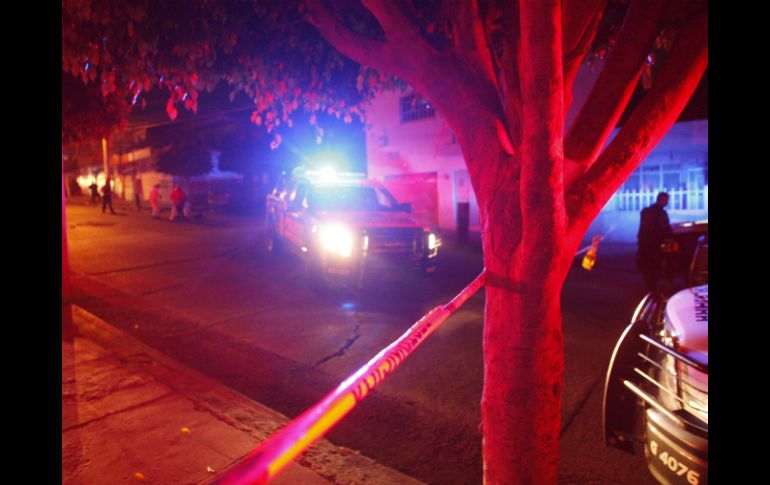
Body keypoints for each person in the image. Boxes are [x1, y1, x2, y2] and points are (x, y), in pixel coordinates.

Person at [636, 192, 673, 292]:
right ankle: (651, 287)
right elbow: (662, 228)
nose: (667, 202)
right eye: (665, 200)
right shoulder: (656, 213)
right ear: (660, 199)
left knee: (651, 266)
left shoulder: (651, 211)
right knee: (652, 266)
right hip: (652, 244)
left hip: (649, 244)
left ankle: (651, 286)